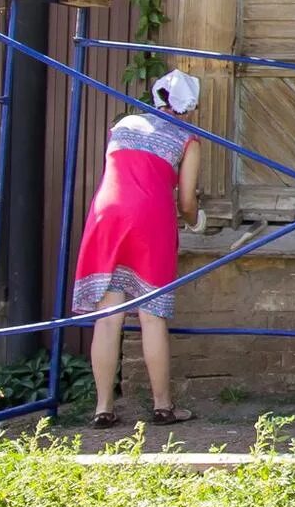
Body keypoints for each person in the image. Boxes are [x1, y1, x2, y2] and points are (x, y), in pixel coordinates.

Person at [72, 68, 203, 427]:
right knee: (151, 315)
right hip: (150, 220)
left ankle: (103, 408)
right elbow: (188, 202)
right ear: (189, 108)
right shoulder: (188, 137)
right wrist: (196, 222)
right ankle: (163, 406)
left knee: (108, 317)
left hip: (107, 215)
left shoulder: (125, 124)